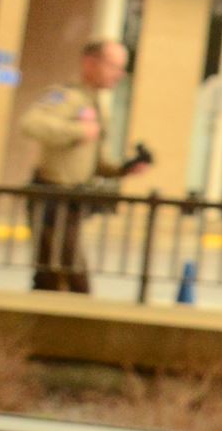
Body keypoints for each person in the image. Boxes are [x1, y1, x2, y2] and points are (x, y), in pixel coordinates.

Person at [19, 39, 147, 292]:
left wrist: (123, 168)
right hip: (51, 196)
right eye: (114, 66)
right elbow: (31, 123)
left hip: (72, 200)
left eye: (122, 68)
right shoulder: (66, 97)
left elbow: (93, 162)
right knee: (62, 276)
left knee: (57, 276)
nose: (119, 75)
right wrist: (77, 131)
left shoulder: (96, 105)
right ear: (90, 63)